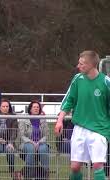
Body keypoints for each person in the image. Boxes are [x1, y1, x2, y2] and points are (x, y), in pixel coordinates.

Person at [55, 50, 110, 180]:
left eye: (81, 64)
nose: (78, 66)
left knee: (97, 165)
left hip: (99, 129)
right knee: (75, 167)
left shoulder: (106, 82)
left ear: (91, 65)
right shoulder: (77, 79)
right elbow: (69, 101)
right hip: (80, 128)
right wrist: (60, 120)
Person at [19, 100, 49, 178]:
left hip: (40, 142)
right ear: (30, 109)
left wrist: (39, 142)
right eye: (34, 107)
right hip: (27, 142)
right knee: (31, 149)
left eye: (38, 107)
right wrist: (31, 142)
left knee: (44, 149)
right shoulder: (23, 119)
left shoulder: (43, 119)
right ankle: (29, 174)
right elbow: (21, 135)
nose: (36, 108)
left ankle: (45, 174)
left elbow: (46, 135)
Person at [0, 99, 18, 177]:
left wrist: (11, 143)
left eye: (7, 106)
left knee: (10, 150)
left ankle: (11, 171)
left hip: (9, 141)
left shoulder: (13, 117)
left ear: (9, 107)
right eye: (3, 106)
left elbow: (14, 131)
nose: (5, 108)